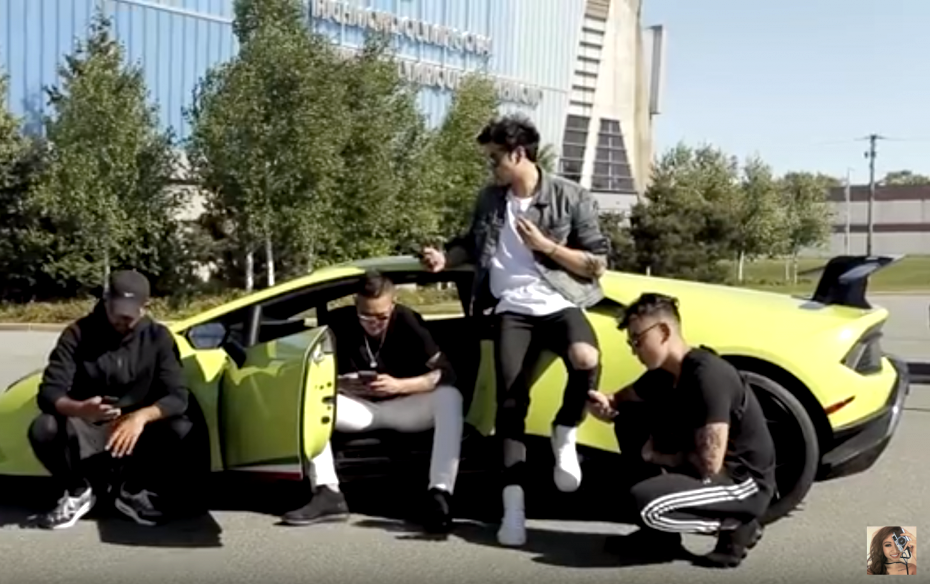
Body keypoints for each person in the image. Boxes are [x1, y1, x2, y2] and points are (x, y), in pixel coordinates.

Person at [420, 114, 610, 546]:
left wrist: (547, 246)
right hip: (511, 310)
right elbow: (472, 243)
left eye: (494, 159)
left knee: (586, 358)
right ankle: (513, 509)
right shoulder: (491, 199)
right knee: (510, 403)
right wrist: (445, 259)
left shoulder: (569, 196)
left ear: (518, 154)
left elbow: (596, 263)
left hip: (560, 301)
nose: (491, 168)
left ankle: (566, 428)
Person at [586, 293, 777, 568]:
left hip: (742, 483)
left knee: (646, 505)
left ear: (663, 332)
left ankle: (737, 525)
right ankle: (658, 539)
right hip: (706, 470)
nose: (634, 351)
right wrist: (602, 405)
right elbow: (619, 401)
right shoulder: (664, 374)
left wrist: (656, 457)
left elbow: (709, 465)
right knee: (630, 418)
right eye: (631, 343)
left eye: (637, 341)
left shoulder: (708, 375)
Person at [280, 270, 464, 534]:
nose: (374, 323)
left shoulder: (408, 320)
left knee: (450, 397)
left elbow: (447, 373)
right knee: (310, 400)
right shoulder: (338, 322)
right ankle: (327, 492)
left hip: (405, 404)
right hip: (359, 407)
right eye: (366, 316)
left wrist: (401, 385)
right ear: (356, 303)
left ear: (393, 302)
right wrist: (339, 384)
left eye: (382, 317)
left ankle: (439, 495)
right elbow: (312, 373)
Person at [27, 269, 199, 530]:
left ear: (145, 307)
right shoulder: (77, 334)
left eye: (129, 315)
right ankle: (78, 491)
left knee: (181, 426)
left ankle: (131, 491)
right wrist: (81, 409)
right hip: (87, 422)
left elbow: (178, 396)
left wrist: (141, 417)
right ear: (106, 301)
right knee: (43, 427)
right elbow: (49, 393)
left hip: (134, 427)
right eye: (116, 312)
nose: (121, 320)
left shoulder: (159, 337)